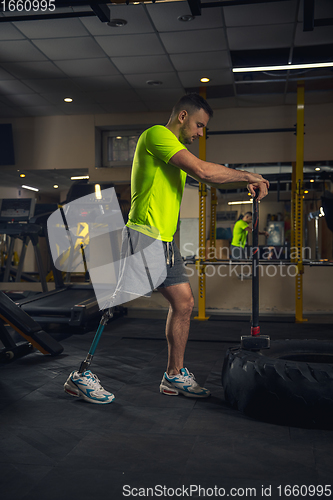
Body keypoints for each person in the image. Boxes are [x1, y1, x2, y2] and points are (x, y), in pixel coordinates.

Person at [64, 93, 269, 404]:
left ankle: (173, 375)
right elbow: (204, 171)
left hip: (166, 241)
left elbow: (209, 178)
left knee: (184, 303)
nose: (201, 133)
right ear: (183, 116)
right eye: (200, 125)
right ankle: (81, 375)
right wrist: (249, 175)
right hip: (144, 235)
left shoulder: (175, 152)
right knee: (113, 306)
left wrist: (242, 182)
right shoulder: (157, 135)